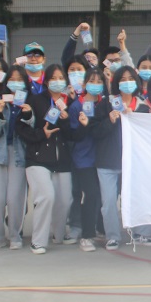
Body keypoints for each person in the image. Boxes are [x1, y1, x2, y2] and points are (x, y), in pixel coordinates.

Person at [16, 64, 88, 254]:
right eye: (53, 78)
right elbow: (21, 127)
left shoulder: (69, 102)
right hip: (38, 157)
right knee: (46, 196)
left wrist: (70, 122)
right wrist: (41, 134)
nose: (57, 82)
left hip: (62, 159)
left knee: (65, 200)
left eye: (60, 78)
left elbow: (72, 135)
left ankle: (58, 233)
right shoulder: (35, 100)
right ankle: (38, 241)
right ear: (46, 82)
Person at [90, 66, 151, 250]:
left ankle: (142, 233)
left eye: (130, 79)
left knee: (140, 198)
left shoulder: (143, 107)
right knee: (109, 203)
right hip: (108, 161)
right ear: (116, 83)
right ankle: (112, 236)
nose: (127, 83)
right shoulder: (106, 104)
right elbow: (94, 131)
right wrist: (110, 121)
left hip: (134, 163)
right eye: (123, 79)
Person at [0, 65, 31, 251]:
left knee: (14, 198)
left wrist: (27, 114)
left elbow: (32, 130)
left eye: (20, 79)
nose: (15, 83)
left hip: (19, 154)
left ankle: (14, 234)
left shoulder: (28, 102)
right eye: (12, 79)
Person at [66, 67, 106, 251]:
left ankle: (101, 230)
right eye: (92, 81)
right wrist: (84, 125)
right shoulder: (76, 106)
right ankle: (87, 235)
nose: (95, 85)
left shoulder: (106, 104)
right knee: (90, 194)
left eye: (99, 81)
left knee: (104, 196)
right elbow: (74, 135)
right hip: (84, 158)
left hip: (103, 157)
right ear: (84, 84)